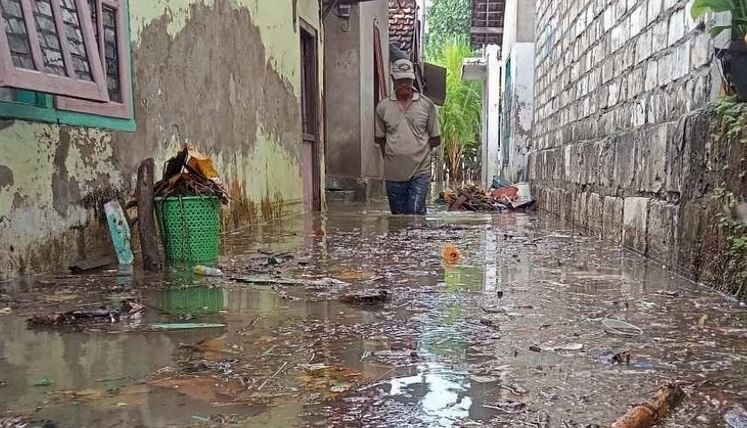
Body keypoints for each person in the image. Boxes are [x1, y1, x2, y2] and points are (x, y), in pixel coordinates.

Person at [375, 59, 441, 215]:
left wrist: (419, 152)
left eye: (407, 80)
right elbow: (380, 139)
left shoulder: (426, 105)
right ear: (393, 80)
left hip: (420, 171)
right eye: (400, 80)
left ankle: (418, 239)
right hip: (393, 173)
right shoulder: (383, 107)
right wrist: (394, 155)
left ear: (412, 80)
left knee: (415, 213)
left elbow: (436, 138)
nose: (404, 84)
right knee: (398, 218)